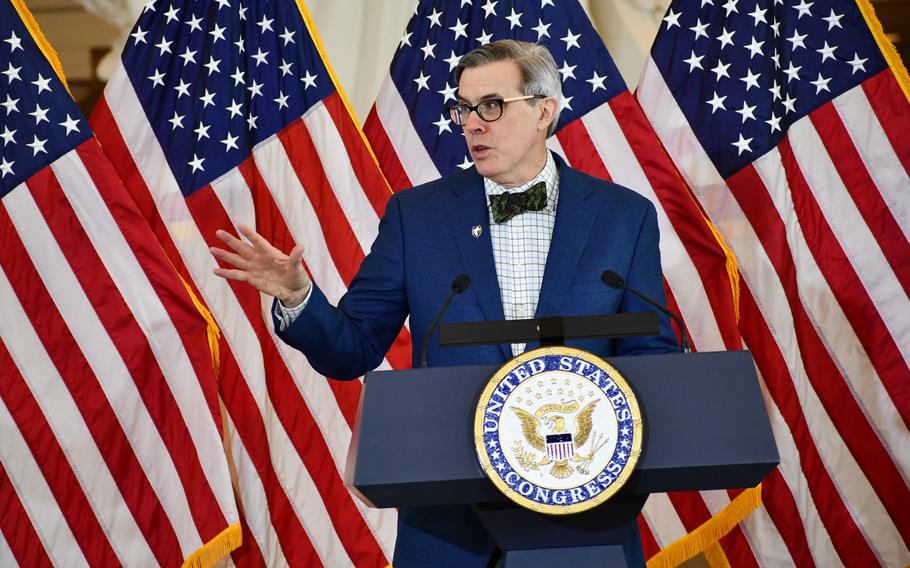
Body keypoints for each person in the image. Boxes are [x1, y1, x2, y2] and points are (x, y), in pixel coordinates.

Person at [211, 39, 677, 568]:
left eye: (492, 106)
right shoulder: (419, 216)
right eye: (463, 108)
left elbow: (649, 355)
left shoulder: (623, 216)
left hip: (582, 520)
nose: (473, 123)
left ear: (545, 110)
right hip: (449, 531)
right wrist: (299, 297)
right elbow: (353, 348)